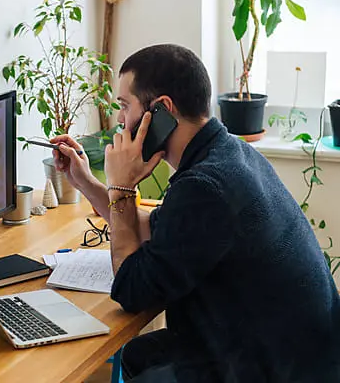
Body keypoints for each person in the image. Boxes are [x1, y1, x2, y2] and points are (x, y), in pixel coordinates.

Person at [50, 44, 340, 382]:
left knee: (142, 361)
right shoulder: (228, 154)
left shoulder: (205, 186)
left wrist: (122, 186)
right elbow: (150, 229)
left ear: (160, 111)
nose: (119, 120)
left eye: (125, 106)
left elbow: (130, 290)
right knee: (138, 355)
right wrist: (85, 181)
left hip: (274, 368)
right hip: (296, 350)